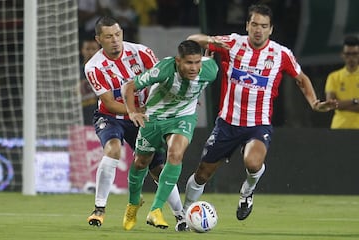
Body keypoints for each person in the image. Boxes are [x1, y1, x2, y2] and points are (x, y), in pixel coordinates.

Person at [182, 4, 338, 222]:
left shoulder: (281, 54)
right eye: (254, 24)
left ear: (270, 29)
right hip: (227, 122)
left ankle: (247, 192)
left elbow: (301, 79)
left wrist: (314, 103)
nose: (258, 30)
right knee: (202, 175)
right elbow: (192, 40)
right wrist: (210, 40)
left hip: (258, 124)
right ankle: (185, 214)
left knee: (253, 163)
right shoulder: (233, 43)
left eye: (264, 26)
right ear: (247, 25)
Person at [84, 16, 184, 229]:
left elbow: (161, 81)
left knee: (157, 166)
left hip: (144, 116)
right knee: (112, 149)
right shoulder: (94, 67)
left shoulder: (142, 52)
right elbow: (110, 103)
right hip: (111, 118)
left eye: (118, 34)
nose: (115, 40)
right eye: (109, 36)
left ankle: (181, 215)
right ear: (99, 39)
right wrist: (134, 112)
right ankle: (99, 209)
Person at [121, 40, 218, 230]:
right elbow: (128, 87)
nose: (194, 68)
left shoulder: (210, 70)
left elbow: (206, 61)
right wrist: (132, 112)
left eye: (198, 62)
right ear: (178, 61)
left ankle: (156, 209)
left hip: (183, 117)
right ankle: (133, 204)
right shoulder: (164, 69)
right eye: (189, 63)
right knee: (141, 163)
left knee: (175, 154)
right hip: (154, 118)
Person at [325, 35, 359, 129]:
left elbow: (335, 104)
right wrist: (355, 101)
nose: (351, 58)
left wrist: (341, 105)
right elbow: (330, 104)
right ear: (342, 55)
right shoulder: (333, 77)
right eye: (348, 54)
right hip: (339, 128)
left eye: (355, 54)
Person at [79, 38, 100, 125]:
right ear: (82, 50)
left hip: (99, 117)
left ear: (99, 51)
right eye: (87, 49)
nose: (91, 52)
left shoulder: (105, 71)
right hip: (80, 116)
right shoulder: (76, 72)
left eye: (93, 49)